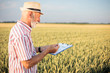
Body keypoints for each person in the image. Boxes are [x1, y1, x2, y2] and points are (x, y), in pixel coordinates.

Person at [8, 2, 59, 73]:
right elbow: (27, 63)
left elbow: (24, 51)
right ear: (30, 15)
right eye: (38, 17)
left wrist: (40, 49)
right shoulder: (21, 34)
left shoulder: (21, 30)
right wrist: (47, 51)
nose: (39, 20)